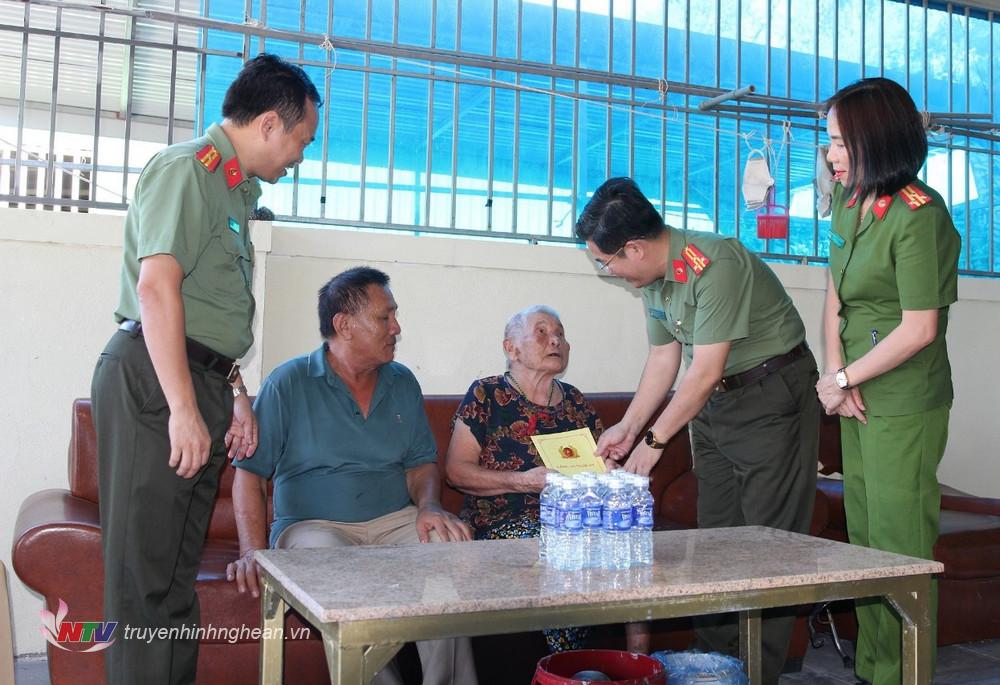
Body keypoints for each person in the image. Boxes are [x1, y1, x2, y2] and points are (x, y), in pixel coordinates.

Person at [90, 54, 319, 685]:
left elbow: (208, 314)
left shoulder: (236, 190)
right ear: (271, 123)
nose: (301, 156)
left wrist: (234, 393)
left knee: (174, 584)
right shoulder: (186, 170)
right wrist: (186, 410)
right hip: (156, 389)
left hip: (201, 383)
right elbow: (157, 290)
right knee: (143, 589)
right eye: (302, 139)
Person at [575, 177, 820, 685]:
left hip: (770, 395)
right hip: (713, 409)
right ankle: (710, 667)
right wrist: (629, 426)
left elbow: (703, 369)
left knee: (767, 549)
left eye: (607, 262)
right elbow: (665, 359)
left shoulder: (716, 264)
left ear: (635, 248)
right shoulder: (656, 281)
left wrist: (655, 443)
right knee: (717, 543)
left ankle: (756, 675)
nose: (610, 271)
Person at [226, 267, 478, 685]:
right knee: (334, 563)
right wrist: (253, 551)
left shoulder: (402, 382)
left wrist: (429, 506)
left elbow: (421, 464)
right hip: (313, 527)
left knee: (444, 553)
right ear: (343, 325)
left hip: (394, 520)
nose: (397, 327)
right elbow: (249, 475)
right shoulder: (288, 383)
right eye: (385, 317)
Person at [816, 77, 960, 685]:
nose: (831, 155)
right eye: (829, 142)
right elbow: (835, 297)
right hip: (854, 398)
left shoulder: (919, 216)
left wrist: (846, 374)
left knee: (901, 548)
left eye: (841, 142)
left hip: (902, 401)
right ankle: (873, 671)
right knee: (866, 541)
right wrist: (834, 379)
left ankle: (905, 675)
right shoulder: (851, 202)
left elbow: (919, 328)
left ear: (876, 139)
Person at [444, 305, 611, 652]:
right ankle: (569, 665)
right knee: (559, 550)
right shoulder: (486, 394)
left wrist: (615, 477)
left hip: (577, 522)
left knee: (626, 539)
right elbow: (456, 472)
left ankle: (635, 663)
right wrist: (523, 481)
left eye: (561, 334)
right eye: (542, 332)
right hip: (505, 522)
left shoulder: (576, 402)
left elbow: (602, 467)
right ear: (511, 348)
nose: (556, 340)